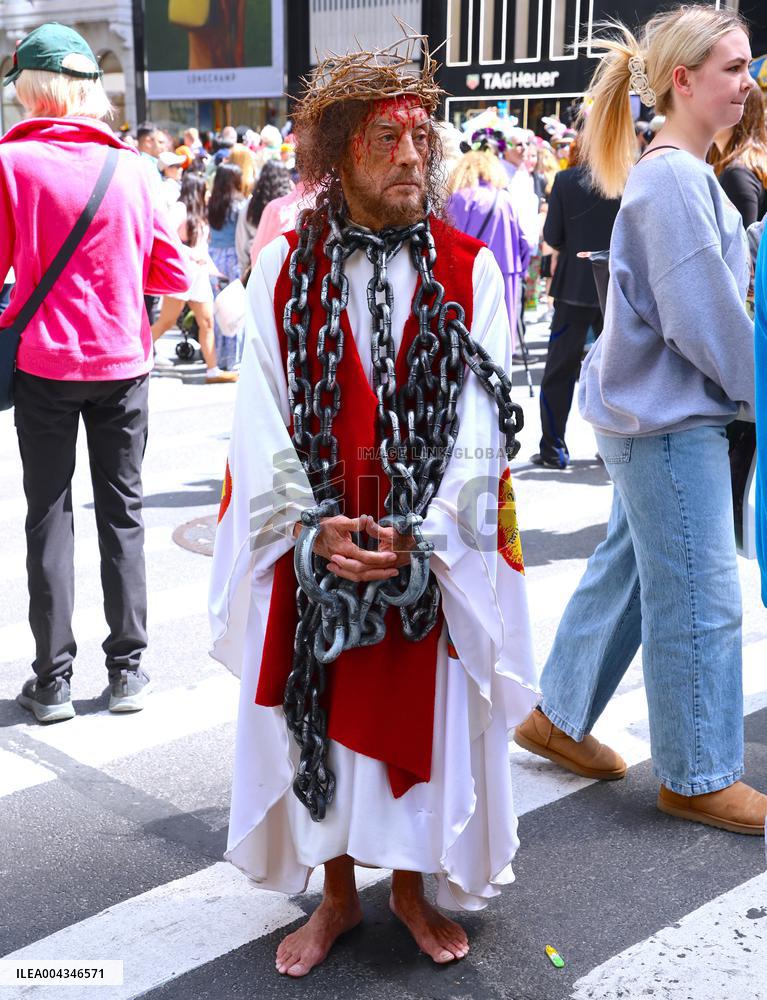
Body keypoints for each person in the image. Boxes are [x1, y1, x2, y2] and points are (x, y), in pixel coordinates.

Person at [209, 33, 538, 977]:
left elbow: (480, 421)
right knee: (321, 725)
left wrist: (423, 535)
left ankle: (409, 889)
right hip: (321, 536)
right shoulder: (281, 270)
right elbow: (258, 411)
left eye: (420, 137)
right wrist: (311, 527)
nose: (410, 156)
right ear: (336, 152)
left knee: (425, 715)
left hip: (420, 548)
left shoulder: (466, 267)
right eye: (385, 139)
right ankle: (340, 899)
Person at [515, 5, 767, 835]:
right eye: (730, 68)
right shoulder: (672, 178)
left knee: (631, 572)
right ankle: (695, 772)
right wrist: (757, 391)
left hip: (646, 415)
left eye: (746, 65)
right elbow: (705, 322)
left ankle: (557, 714)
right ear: (681, 81)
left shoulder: (675, 173)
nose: (746, 80)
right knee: (699, 596)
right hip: (666, 420)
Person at [0, 23, 189, 723]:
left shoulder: (11, 166)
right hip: (123, 366)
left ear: (32, 89)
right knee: (124, 516)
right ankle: (129, 671)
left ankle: (52, 682)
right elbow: (174, 276)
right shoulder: (136, 169)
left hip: (44, 366)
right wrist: (142, 334)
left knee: (48, 517)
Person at [531, 138, 621, 468]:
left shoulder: (566, 181)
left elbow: (553, 237)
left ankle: (553, 447)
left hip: (574, 286)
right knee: (616, 371)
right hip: (614, 288)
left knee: (559, 370)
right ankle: (614, 444)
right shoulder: (625, 177)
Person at [151, 173, 237, 384]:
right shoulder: (181, 209)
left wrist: (215, 271)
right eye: (204, 189)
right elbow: (165, 237)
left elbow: (202, 248)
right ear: (197, 189)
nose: (208, 193)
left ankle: (212, 370)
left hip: (198, 274)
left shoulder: (199, 212)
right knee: (167, 321)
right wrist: (191, 254)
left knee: (206, 321)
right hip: (182, 272)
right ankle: (138, 356)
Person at [447, 142, 529, 343]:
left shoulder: (459, 198)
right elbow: (523, 241)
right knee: (500, 337)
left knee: (470, 331)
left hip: (468, 271)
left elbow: (447, 239)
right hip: (506, 270)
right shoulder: (505, 198)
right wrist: (520, 269)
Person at [709, 85, 767, 227]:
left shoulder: (737, 174)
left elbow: (740, 245)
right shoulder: (749, 163)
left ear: (741, 112)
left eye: (717, 104)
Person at [208, 162, 246, 369]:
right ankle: (233, 359)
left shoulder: (211, 203)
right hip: (233, 258)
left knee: (217, 309)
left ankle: (218, 357)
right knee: (234, 308)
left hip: (213, 257)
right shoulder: (239, 205)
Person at [235, 159, 293, 279]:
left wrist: (244, 270)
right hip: (282, 269)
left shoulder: (250, 206)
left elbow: (241, 241)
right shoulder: (289, 208)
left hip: (255, 268)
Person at [157, 149, 184, 214]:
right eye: (177, 166)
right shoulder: (167, 188)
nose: (181, 169)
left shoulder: (174, 185)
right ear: (166, 169)